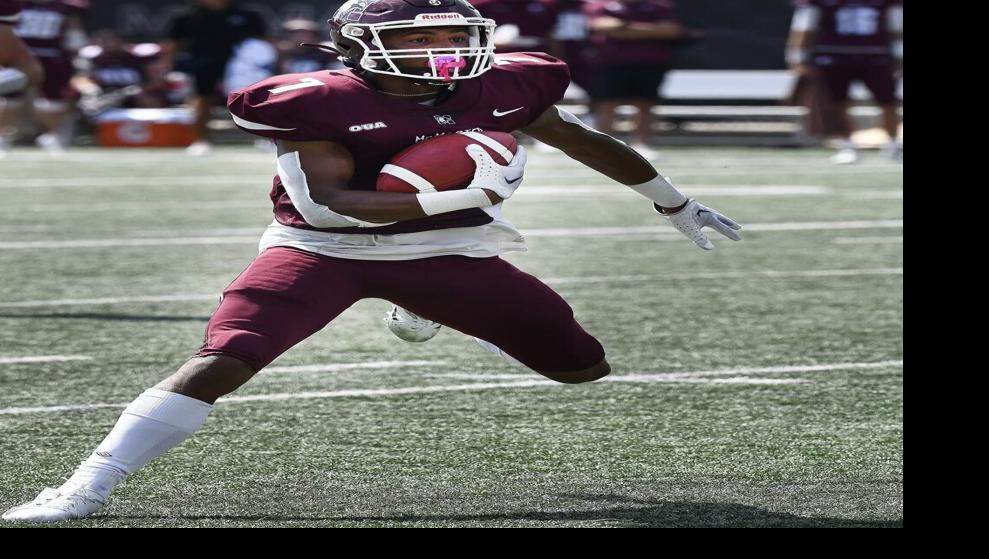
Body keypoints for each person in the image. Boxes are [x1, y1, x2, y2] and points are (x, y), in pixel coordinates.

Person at [2, 0, 741, 523]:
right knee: (224, 358)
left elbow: (577, 136)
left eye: (454, 34)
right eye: (424, 40)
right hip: (319, 249)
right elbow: (334, 199)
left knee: (582, 367)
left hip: (448, 252)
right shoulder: (315, 101)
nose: (444, 51)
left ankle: (426, 304)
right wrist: (464, 194)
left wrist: (670, 201)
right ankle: (83, 487)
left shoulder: (507, 82)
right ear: (359, 48)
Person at [582, 0, 702, 160]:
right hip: (610, 63)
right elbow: (600, 26)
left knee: (645, 104)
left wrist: (624, 28)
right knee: (607, 105)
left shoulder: (659, 6)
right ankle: (603, 146)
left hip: (649, 63)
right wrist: (650, 29)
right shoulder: (601, 5)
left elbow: (670, 30)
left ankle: (642, 144)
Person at [786, 0, 903, 163]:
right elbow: (805, 26)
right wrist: (797, 57)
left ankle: (893, 144)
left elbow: (897, 27)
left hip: (875, 55)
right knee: (837, 102)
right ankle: (847, 145)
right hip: (834, 55)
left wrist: (900, 56)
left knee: (888, 101)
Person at [161, 0, 266, 155]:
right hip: (202, 64)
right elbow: (173, 44)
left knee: (254, 100)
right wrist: (167, 69)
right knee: (202, 101)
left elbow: (265, 41)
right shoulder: (186, 15)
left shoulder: (247, 14)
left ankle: (265, 138)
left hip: (242, 67)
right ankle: (200, 140)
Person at [0, 0, 87, 153]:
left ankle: (51, 136)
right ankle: (2, 137)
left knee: (52, 100)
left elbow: (74, 29)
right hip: (17, 53)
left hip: (51, 55)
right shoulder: (18, 4)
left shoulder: (65, 7)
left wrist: (77, 49)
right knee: (10, 99)